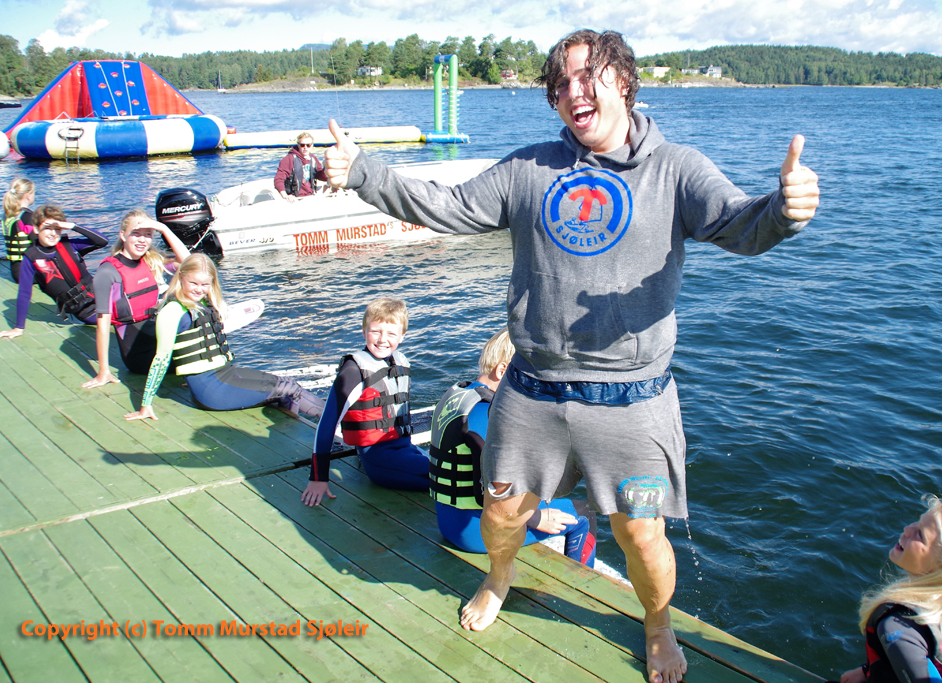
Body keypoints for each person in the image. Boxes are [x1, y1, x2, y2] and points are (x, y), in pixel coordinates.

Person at [323, 28, 820, 683]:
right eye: (560, 84)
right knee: (501, 511)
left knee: (641, 534)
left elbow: (739, 222)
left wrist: (783, 210)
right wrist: (364, 172)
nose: (571, 91)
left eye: (586, 76)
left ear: (624, 82)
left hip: (633, 400)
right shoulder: (529, 169)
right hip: (533, 390)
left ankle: (658, 622)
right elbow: (447, 206)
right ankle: (499, 578)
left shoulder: (675, 169)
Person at [430, 328, 597, 568]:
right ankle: (583, 581)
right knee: (583, 513)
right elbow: (491, 493)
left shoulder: (459, 394)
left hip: (448, 522)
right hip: (476, 532)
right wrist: (535, 517)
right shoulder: (488, 414)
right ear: (502, 371)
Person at [125, 253, 325, 421]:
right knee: (288, 390)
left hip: (225, 374)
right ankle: (332, 425)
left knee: (288, 383)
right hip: (212, 391)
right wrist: (146, 405)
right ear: (181, 277)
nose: (199, 289)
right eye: (193, 283)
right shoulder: (173, 311)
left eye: (205, 284)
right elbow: (161, 359)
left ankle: (332, 422)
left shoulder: (204, 302)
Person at [837, 497, 942, 683]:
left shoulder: (899, 628)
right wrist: (868, 670)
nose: (907, 529)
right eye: (918, 521)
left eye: (920, 535)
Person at [301, 297, 429, 507]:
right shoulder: (353, 371)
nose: (382, 339)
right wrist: (318, 478)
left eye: (391, 334)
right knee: (457, 479)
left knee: (459, 469)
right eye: (375, 331)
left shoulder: (399, 361)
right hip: (379, 459)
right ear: (364, 331)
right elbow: (326, 425)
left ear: (402, 336)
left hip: (404, 449)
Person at [83, 209, 191, 388]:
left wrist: (164, 229)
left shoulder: (150, 261)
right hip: (139, 355)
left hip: (159, 339)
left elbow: (188, 262)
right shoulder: (107, 272)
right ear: (123, 235)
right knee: (198, 357)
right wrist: (104, 371)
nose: (142, 240)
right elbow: (103, 325)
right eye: (136, 233)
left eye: (147, 234)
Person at [0, 205, 107, 340]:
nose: (53, 233)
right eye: (47, 228)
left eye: (57, 228)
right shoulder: (31, 258)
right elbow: (24, 292)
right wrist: (18, 327)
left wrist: (73, 226)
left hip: (104, 295)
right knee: (126, 316)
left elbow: (102, 241)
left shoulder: (70, 245)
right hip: (88, 310)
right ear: (36, 229)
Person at [275, 132, 328, 202]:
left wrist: (326, 168)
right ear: (298, 145)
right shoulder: (288, 159)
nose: (305, 147)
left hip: (311, 196)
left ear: (312, 145)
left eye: (308, 145)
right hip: (295, 198)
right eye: (302, 145)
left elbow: (322, 177)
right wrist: (285, 196)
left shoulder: (313, 159)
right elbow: (278, 179)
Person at [1, 177, 36, 283]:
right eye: (34, 193)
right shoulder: (28, 216)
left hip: (16, 272)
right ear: (28, 195)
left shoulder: (7, 216)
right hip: (30, 273)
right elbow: (37, 243)